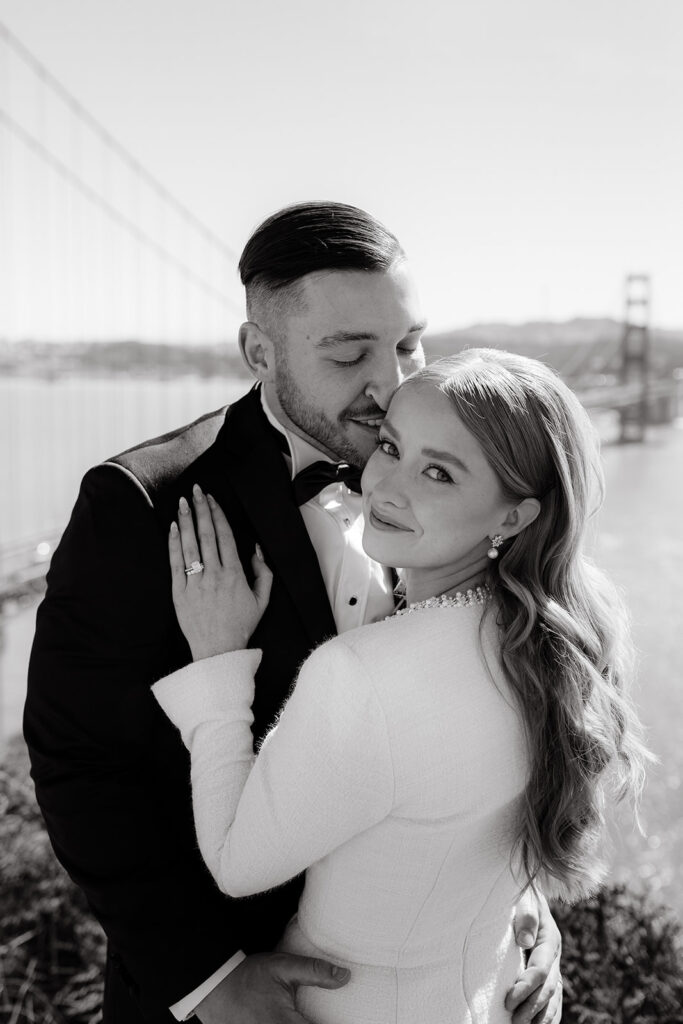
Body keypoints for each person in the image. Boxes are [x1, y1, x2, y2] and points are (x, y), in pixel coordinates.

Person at [25, 203, 562, 1024]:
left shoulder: (449, 488)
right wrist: (207, 979)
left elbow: (484, 743)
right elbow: (78, 764)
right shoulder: (141, 503)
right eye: (349, 354)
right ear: (259, 353)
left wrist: (515, 912)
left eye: (408, 344)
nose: (392, 385)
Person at [152, 348, 649, 1023]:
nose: (385, 485)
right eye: (389, 446)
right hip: (496, 991)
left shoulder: (361, 675)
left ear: (513, 517)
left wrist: (216, 665)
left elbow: (238, 864)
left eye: (438, 472)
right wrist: (527, 916)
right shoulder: (560, 645)